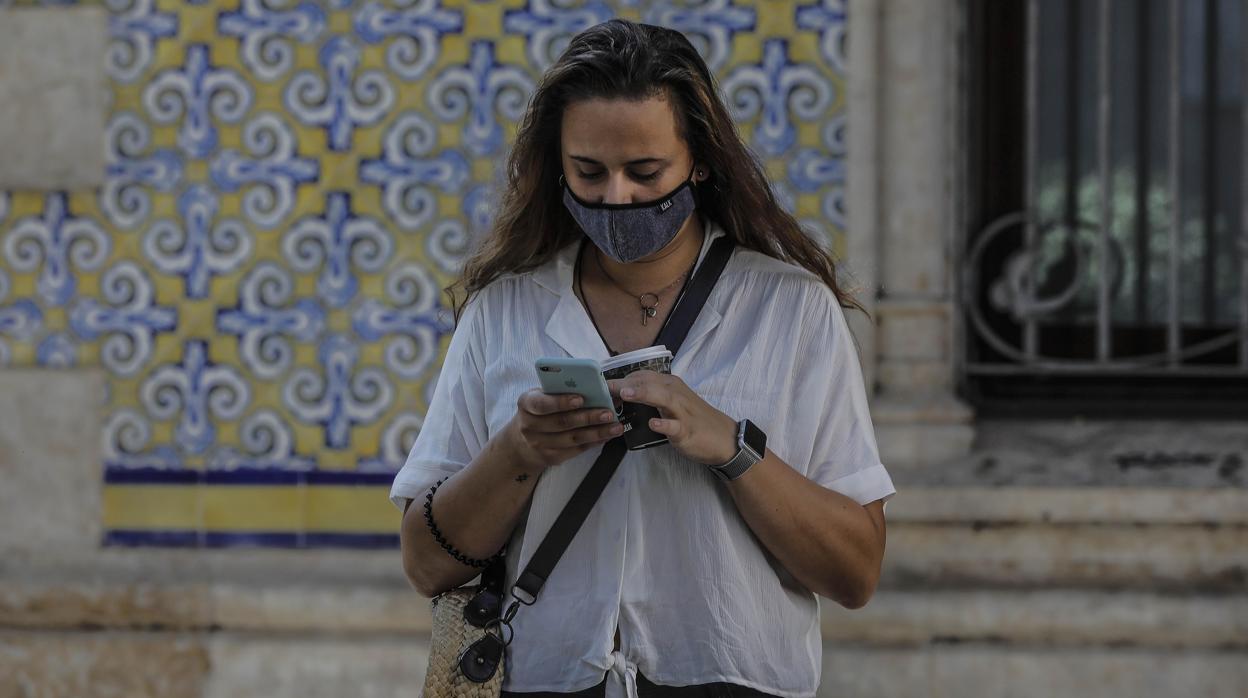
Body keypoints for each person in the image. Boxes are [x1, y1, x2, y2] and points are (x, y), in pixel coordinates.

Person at [390, 19, 895, 698]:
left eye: (645, 171)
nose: (617, 196)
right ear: (556, 166)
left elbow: (855, 574)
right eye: (589, 173)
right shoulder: (502, 313)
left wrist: (730, 447)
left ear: (702, 161)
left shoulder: (791, 311)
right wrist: (518, 451)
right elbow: (426, 566)